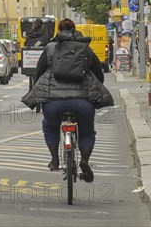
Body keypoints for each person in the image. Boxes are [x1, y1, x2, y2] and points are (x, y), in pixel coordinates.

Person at [21, 18, 114, 183]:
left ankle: (55, 159)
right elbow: (98, 74)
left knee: (50, 127)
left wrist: (38, 91)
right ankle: (84, 160)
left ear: (58, 30)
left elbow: (39, 72)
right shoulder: (85, 48)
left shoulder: (50, 48)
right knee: (86, 132)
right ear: (74, 29)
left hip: (53, 103)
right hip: (83, 102)